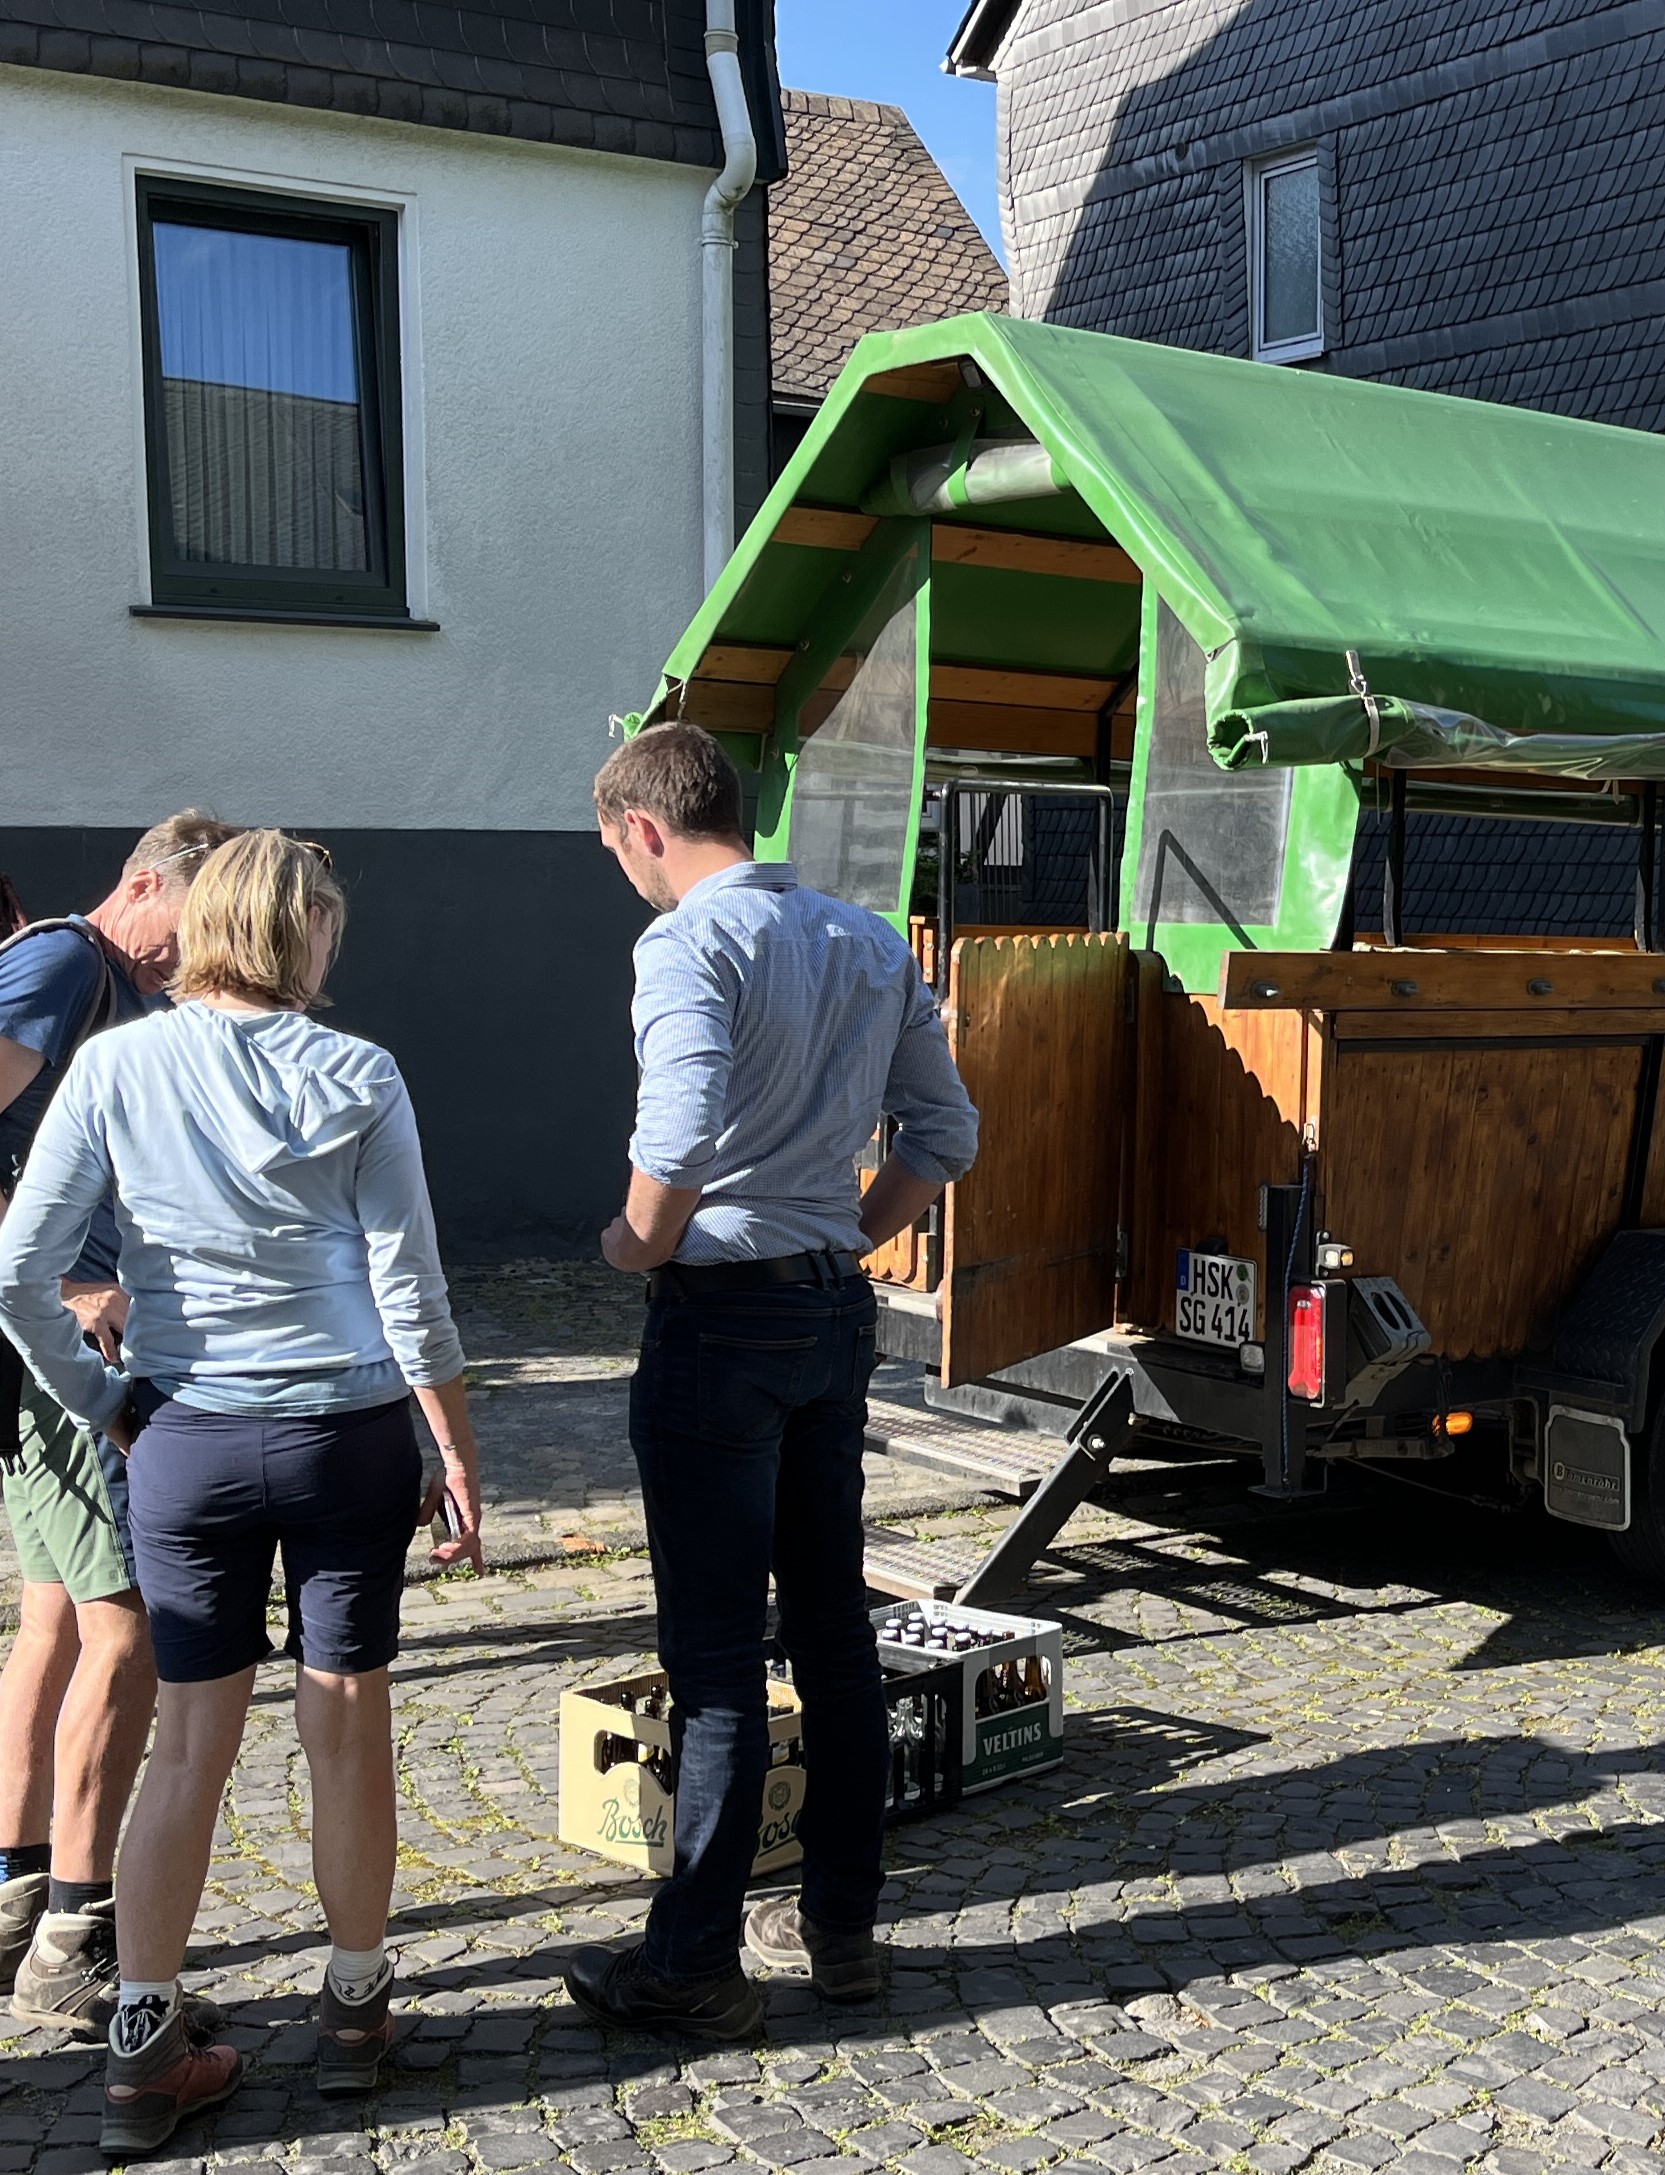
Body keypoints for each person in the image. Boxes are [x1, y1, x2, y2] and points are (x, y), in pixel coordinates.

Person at [0, 831, 484, 2153]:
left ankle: (144, 2044)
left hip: (185, 1440)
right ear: (308, 932)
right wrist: (453, 1444)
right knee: (346, 1716)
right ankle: (351, 2007)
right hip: (346, 1436)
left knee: (190, 1738)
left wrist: (107, 1401)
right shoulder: (358, 1070)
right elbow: (411, 1290)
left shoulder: (113, 1064)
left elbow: (16, 1271)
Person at [562, 724, 974, 2038]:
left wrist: (637, 1237)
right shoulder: (863, 937)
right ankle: (839, 1927)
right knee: (833, 1627)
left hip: (722, 1315)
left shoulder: (686, 942)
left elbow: (674, 1134)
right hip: (826, 1309)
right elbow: (946, 1130)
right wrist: (855, 1228)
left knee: (720, 1652)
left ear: (643, 828)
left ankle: (691, 1958)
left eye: (617, 850)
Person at [0, 813, 238, 2036]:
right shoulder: (66, 965)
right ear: (140, 883)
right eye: (181, 934)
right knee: (127, 1630)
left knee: (47, 1618)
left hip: (32, 1349)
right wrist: (57, 1281)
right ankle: (75, 1941)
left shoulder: (88, 982)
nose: (180, 965)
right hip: (59, 1350)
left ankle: (13, 1894)